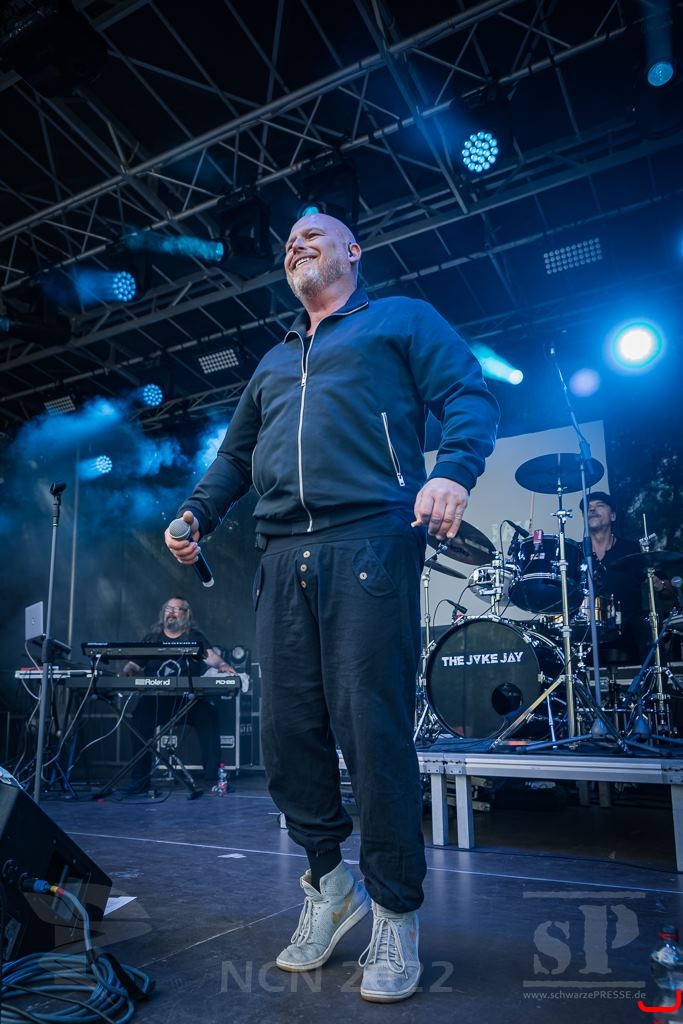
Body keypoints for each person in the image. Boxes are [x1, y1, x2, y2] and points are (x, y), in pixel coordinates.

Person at [164, 212, 498, 1002]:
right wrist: (197, 513)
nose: (296, 244)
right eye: (288, 241)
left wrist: (452, 468)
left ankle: (395, 910)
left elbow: (466, 393)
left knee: (371, 735)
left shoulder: (398, 319)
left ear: (353, 250)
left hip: (368, 543)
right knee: (286, 738)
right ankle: (327, 881)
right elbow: (234, 457)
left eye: (313, 234)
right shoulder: (274, 360)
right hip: (282, 558)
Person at [121, 596, 232, 794]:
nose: (171, 612)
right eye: (168, 608)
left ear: (186, 614)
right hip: (156, 700)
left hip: (188, 701)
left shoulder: (194, 637)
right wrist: (128, 670)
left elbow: (211, 657)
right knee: (140, 719)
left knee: (208, 715)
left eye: (176, 609)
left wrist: (223, 665)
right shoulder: (152, 639)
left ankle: (213, 779)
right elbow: (134, 665)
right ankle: (139, 781)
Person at [580, 491, 674, 664]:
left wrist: (660, 585)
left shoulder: (632, 549)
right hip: (588, 625)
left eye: (600, 505)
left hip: (629, 623)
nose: (592, 510)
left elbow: (669, 591)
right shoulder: (576, 553)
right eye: (588, 508)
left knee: (646, 623)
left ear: (613, 516)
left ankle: (653, 679)